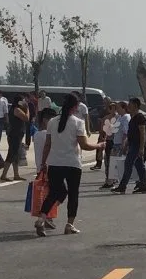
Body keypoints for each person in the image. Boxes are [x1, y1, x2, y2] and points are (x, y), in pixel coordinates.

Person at [38, 93, 101, 236]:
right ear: (75, 107)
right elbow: (84, 145)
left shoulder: (52, 122)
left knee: (53, 193)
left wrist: (43, 162)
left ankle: (41, 219)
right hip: (72, 163)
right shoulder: (78, 122)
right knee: (73, 194)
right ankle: (69, 224)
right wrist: (99, 146)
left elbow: (47, 144)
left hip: (54, 163)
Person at [116, 96, 146, 193]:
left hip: (137, 145)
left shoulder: (140, 117)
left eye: (130, 105)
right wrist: (126, 145)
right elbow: (130, 134)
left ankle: (122, 186)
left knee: (128, 164)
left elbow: (142, 133)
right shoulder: (132, 118)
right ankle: (144, 185)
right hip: (132, 144)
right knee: (139, 165)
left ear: (135, 106)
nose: (128, 107)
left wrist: (141, 148)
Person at [0, 93, 29, 182]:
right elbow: (26, 118)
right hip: (14, 135)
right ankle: (3, 175)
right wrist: (27, 108)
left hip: (18, 134)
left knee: (15, 155)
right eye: (23, 100)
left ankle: (16, 174)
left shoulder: (17, 109)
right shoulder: (16, 110)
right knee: (11, 154)